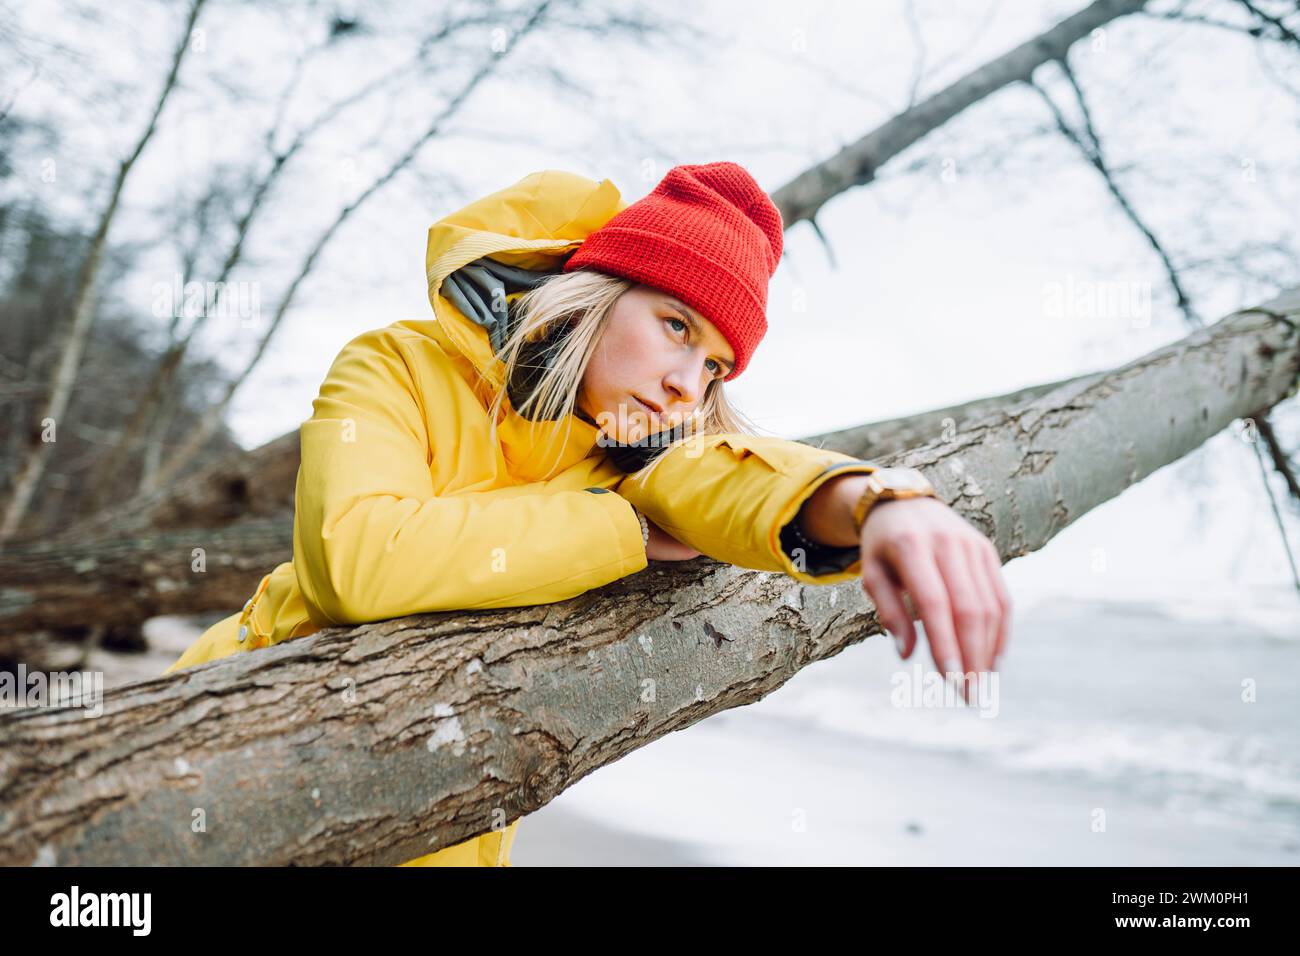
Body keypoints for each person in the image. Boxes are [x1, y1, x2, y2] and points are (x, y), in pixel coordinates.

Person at [162, 161, 1012, 866]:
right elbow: (356, 561)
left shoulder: (644, 452)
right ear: (598, 293)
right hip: (219, 754)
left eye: (717, 366)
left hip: (431, 827)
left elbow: (742, 481)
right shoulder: (395, 366)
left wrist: (880, 505)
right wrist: (622, 532)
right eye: (676, 324)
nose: (691, 382)